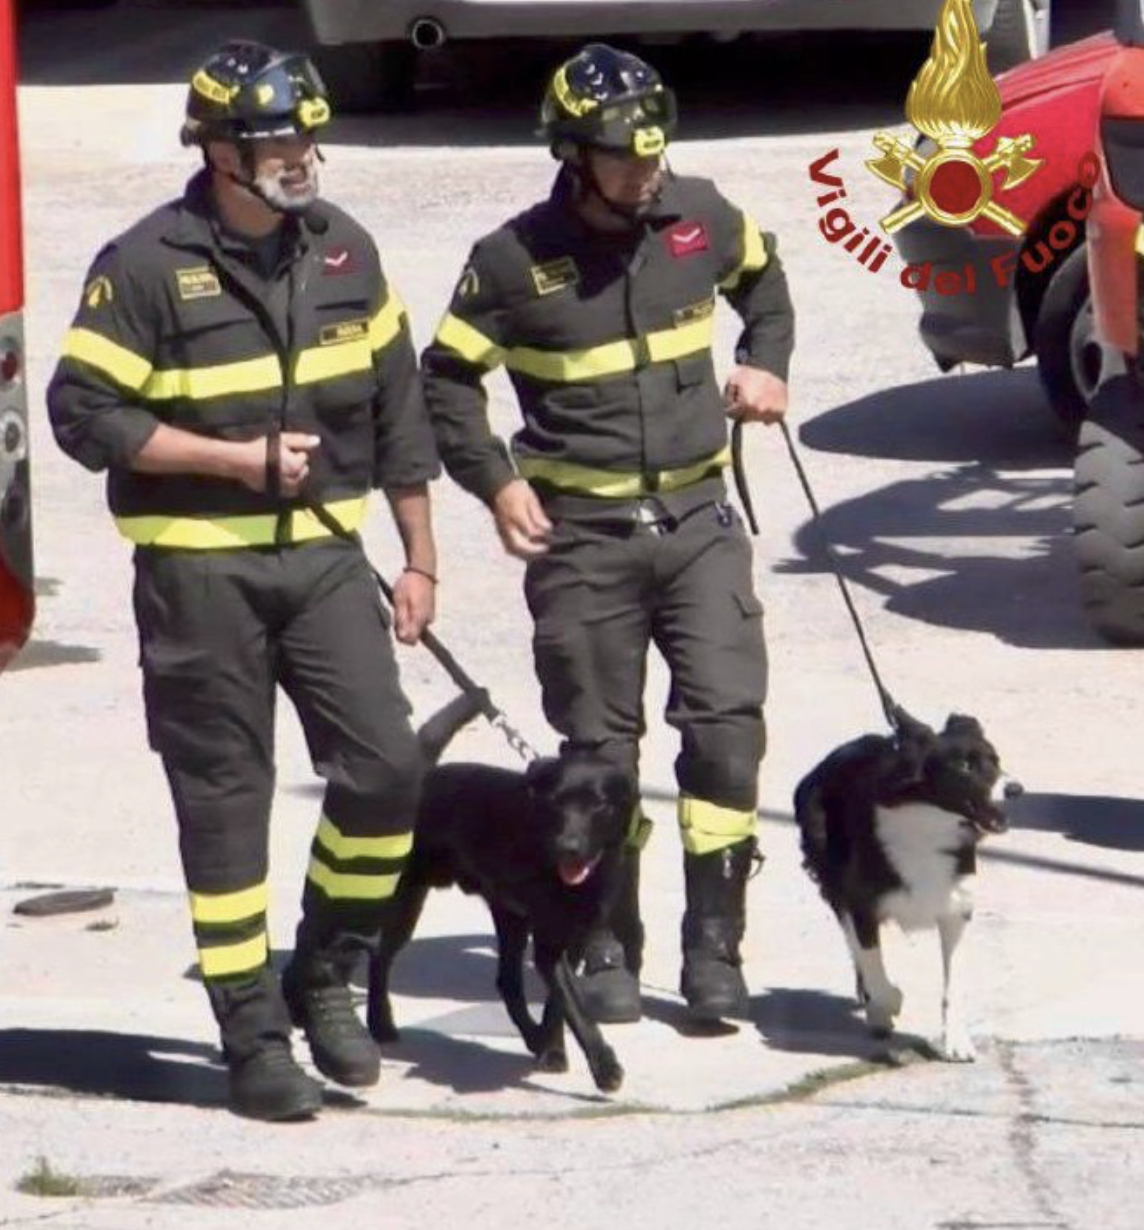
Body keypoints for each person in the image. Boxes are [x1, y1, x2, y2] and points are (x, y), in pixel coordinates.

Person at [47, 42, 440, 1121]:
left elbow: (399, 414)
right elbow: (81, 413)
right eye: (273, 140)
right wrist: (230, 462)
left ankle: (326, 969)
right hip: (198, 575)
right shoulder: (143, 265)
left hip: (326, 564)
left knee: (387, 770)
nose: (297, 155)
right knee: (226, 804)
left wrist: (418, 556)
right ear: (217, 150)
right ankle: (251, 1036)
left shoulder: (345, 249)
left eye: (306, 134)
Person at [422, 43, 795, 1027]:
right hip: (582, 539)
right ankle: (601, 942)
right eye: (624, 156)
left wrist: (765, 362)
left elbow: (766, 286)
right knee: (598, 756)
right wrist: (496, 482)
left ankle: (714, 946)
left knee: (726, 734)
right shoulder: (510, 260)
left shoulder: (701, 216)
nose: (644, 171)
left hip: (699, 521)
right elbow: (445, 381)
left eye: (654, 151)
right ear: (573, 155)